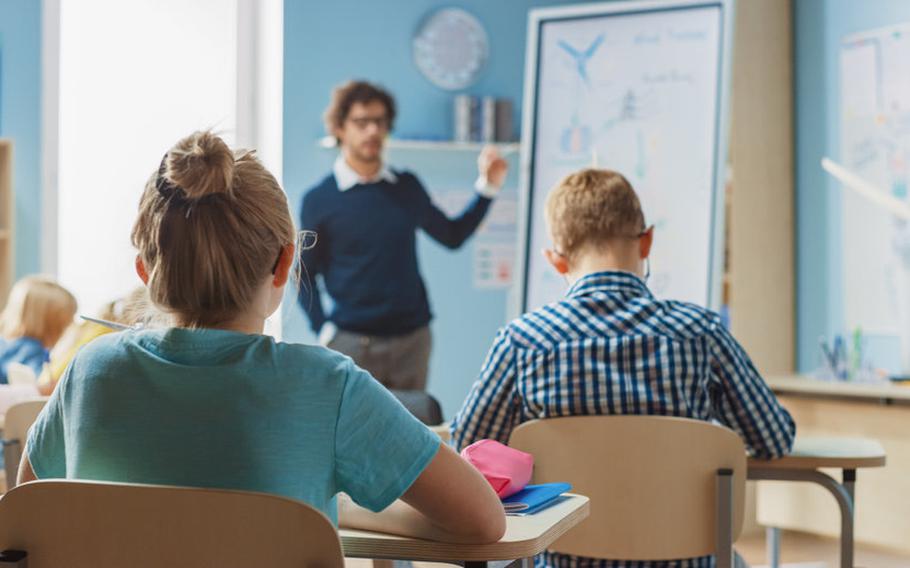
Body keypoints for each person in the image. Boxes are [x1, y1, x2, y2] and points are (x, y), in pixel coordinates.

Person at [20, 131, 505, 544]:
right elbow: (484, 520)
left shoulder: (90, 371)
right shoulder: (326, 384)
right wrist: (334, 508)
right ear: (284, 261)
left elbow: (29, 512)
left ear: (145, 271)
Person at [450, 169, 796, 566]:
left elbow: (469, 448)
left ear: (556, 261)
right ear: (646, 241)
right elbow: (774, 438)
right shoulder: (702, 333)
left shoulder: (522, 341)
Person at [299, 80, 508, 390]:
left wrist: (488, 187)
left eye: (380, 122)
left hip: (413, 341)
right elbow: (303, 273)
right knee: (352, 437)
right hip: (351, 344)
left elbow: (452, 235)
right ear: (340, 128)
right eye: (361, 122)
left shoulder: (406, 186)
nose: (372, 130)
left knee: (411, 433)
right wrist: (323, 330)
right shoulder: (319, 199)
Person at [0, 276, 77, 383]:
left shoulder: (5, 344)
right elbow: (40, 385)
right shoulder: (32, 349)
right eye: (66, 323)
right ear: (51, 324)